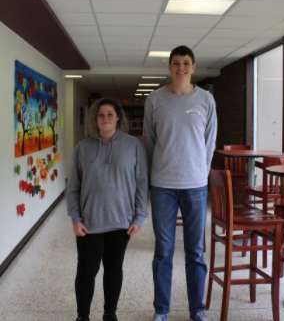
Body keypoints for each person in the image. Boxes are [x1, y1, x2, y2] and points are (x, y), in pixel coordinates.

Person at [143, 46, 217, 321]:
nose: (181, 68)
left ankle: (196, 309)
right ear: (170, 67)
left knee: (195, 251)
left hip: (196, 185)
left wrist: (200, 171)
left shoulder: (206, 100)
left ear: (194, 67)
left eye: (186, 63)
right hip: (162, 185)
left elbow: (209, 143)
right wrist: (150, 178)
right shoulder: (154, 99)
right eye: (176, 63)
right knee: (163, 251)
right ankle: (161, 310)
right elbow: (149, 142)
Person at [67, 97, 149, 321]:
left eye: (110, 114)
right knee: (86, 272)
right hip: (89, 223)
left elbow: (142, 183)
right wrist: (75, 218)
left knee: (113, 270)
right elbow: (73, 186)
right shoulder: (83, 147)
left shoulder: (133, 145)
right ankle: (82, 317)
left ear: (118, 117)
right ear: (95, 119)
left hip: (121, 222)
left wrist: (139, 217)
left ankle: (109, 314)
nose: (105, 118)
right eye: (100, 114)